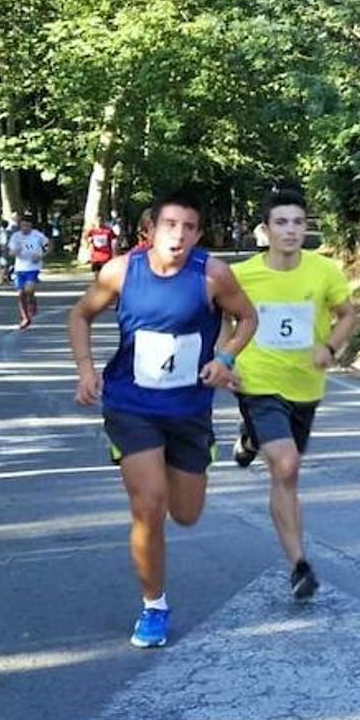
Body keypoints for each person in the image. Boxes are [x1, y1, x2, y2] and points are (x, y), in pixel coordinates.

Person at [68, 192, 258, 649]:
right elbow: (80, 315)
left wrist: (224, 357)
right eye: (170, 224)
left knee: (186, 514)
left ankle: (181, 474)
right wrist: (87, 370)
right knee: (149, 505)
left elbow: (247, 317)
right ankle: (154, 606)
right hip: (131, 405)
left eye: (189, 227)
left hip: (189, 410)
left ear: (198, 234)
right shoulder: (120, 271)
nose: (178, 234)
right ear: (149, 230)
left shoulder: (212, 274)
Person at [230, 188, 357, 600]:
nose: (290, 230)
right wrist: (224, 360)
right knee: (285, 466)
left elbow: (347, 314)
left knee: (286, 458)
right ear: (264, 231)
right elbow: (222, 316)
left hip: (305, 385)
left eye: (298, 222)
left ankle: (249, 439)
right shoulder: (243, 275)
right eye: (281, 223)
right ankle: (300, 564)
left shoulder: (324, 271)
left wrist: (331, 346)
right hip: (257, 381)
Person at [8, 213, 50, 330]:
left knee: (29, 290)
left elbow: (49, 245)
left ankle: (32, 301)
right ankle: (25, 317)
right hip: (20, 268)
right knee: (21, 294)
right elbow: (10, 252)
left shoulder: (37, 235)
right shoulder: (16, 236)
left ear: (31, 226)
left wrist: (41, 255)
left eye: (28, 226)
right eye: (23, 226)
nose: (25, 228)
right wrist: (15, 251)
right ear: (20, 226)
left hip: (33, 267)